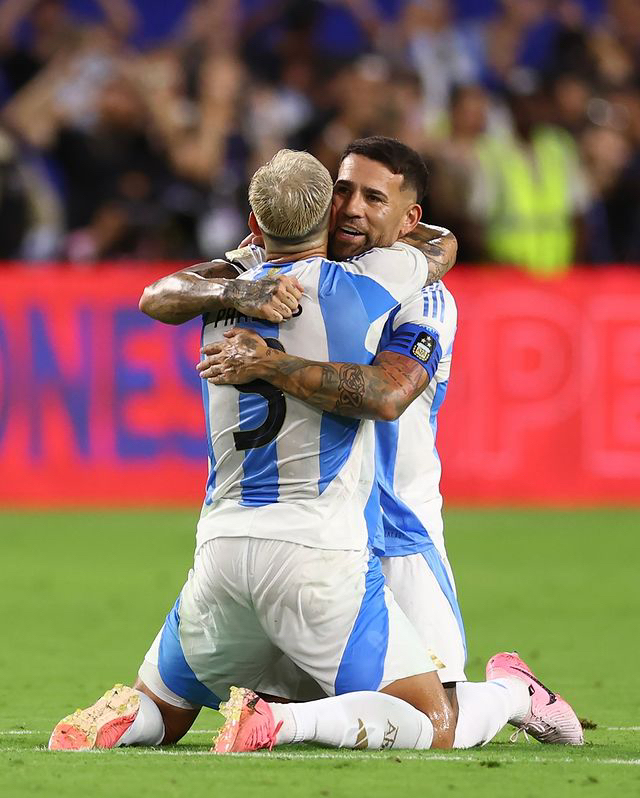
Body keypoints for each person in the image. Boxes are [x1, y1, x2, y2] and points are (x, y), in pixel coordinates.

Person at [50, 147, 461, 753]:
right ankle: (281, 723)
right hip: (318, 549)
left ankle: (119, 719)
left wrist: (239, 292)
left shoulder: (225, 288)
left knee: (164, 709)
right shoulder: (370, 282)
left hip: (221, 544)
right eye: (343, 195)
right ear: (326, 215)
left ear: (251, 225)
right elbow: (436, 258)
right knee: (432, 720)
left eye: (372, 198)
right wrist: (272, 359)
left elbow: (156, 295)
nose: (353, 209)